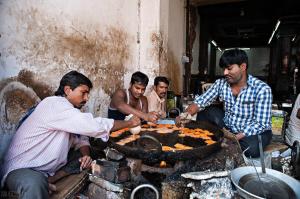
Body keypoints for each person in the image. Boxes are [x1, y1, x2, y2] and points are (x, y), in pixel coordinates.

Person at [0, 71, 140, 199]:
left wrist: (86, 155)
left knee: (92, 154)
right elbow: (92, 126)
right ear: (67, 90)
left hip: (47, 169)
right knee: (34, 184)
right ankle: (42, 183)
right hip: (23, 168)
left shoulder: (70, 112)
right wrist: (129, 123)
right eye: (83, 93)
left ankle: (49, 181)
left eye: (88, 94)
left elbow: (82, 137)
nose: (86, 98)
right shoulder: (55, 105)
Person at [179, 49, 273, 158]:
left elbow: (261, 123)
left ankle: (224, 142)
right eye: (224, 69)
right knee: (206, 112)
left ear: (243, 67)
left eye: (229, 68)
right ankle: (212, 140)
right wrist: (184, 115)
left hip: (252, 131)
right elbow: (201, 101)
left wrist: (235, 138)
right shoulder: (221, 84)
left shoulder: (262, 89)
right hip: (229, 127)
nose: (225, 73)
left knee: (252, 149)